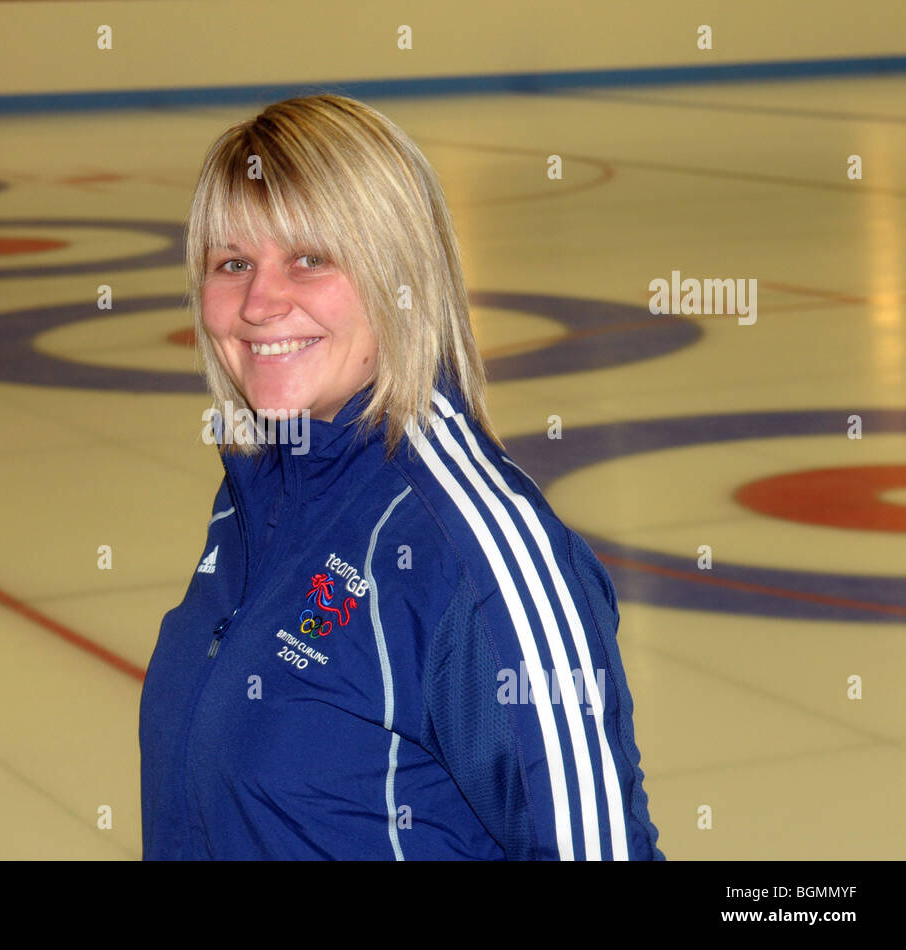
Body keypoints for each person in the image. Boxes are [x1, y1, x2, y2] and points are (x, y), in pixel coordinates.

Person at [139, 93, 662, 860]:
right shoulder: (260, 494)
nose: (258, 302)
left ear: (400, 275)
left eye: (310, 259)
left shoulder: (471, 550)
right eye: (232, 263)